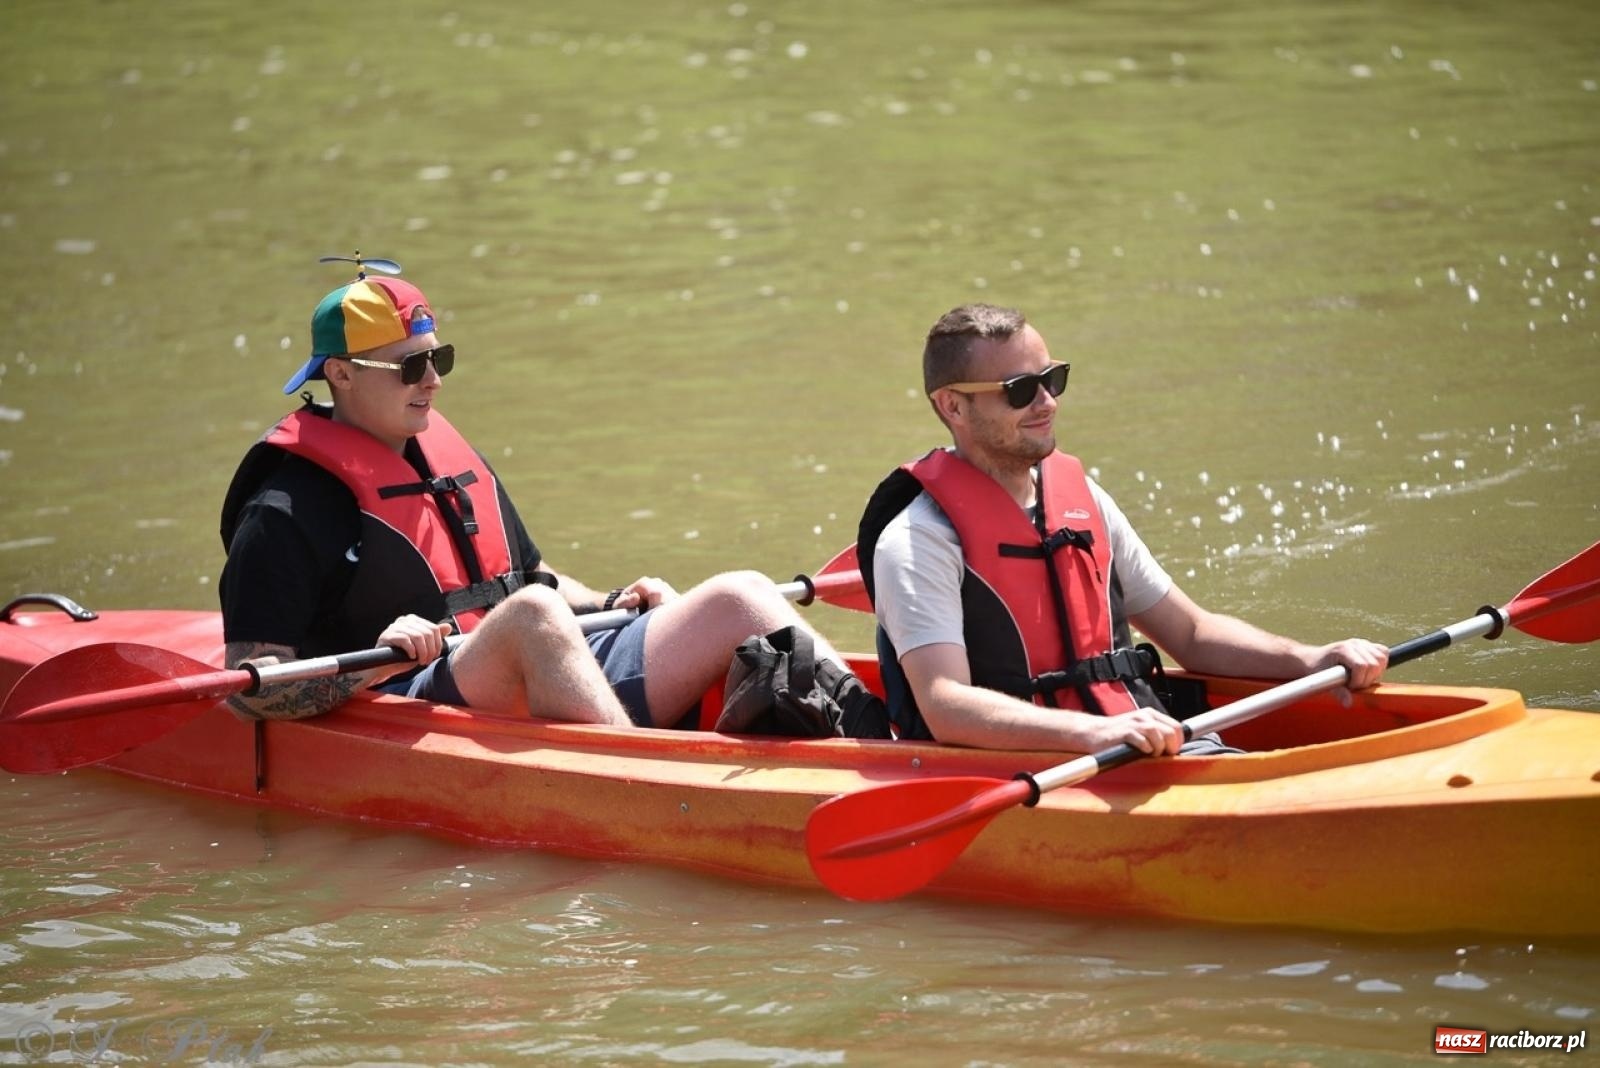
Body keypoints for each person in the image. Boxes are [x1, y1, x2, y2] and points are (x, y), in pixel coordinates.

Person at [219, 266, 885, 732]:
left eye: (438, 360)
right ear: (340, 374)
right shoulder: (284, 508)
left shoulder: (438, 456)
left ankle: (884, 741)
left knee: (737, 594)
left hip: (530, 668)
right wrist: (374, 662)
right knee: (534, 614)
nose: (433, 383)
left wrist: (609, 600)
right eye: (410, 367)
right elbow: (253, 691)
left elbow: (523, 580)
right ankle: (641, 782)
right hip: (404, 695)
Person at [856, 303, 1388, 756]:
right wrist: (1096, 731)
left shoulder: (1086, 505)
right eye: (1020, 389)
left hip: (1138, 740)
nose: (1047, 402)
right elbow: (946, 703)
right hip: (1045, 764)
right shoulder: (919, 539)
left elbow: (1192, 636)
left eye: (1052, 379)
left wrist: (1311, 659)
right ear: (953, 405)